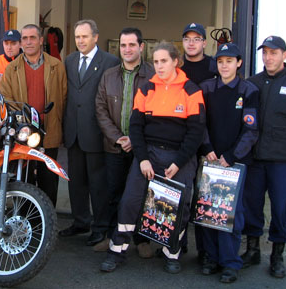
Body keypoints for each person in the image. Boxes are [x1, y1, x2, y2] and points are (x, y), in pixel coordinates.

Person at [100, 41, 205, 274]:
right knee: (129, 202)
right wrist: (143, 158)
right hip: (148, 155)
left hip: (180, 158)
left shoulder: (191, 90)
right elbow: (135, 126)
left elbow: (196, 132)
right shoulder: (147, 88)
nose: (159, 66)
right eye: (156, 61)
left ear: (175, 62)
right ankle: (117, 250)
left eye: (164, 61)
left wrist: (178, 163)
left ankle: (172, 254)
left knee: (178, 208)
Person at [242, 36, 286, 278]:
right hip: (255, 158)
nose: (268, 57)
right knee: (251, 203)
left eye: (274, 53)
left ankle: (277, 254)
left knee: (282, 207)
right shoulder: (251, 83)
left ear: (284, 55)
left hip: (282, 159)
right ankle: (252, 250)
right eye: (265, 53)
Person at [198, 43, 259, 283]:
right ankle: (212, 258)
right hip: (211, 159)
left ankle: (230, 263)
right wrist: (208, 149)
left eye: (230, 61)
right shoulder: (206, 88)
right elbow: (199, 123)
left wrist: (231, 156)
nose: (224, 65)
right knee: (209, 211)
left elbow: (251, 130)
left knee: (231, 214)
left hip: (235, 162)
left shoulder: (248, 90)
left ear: (239, 63)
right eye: (221, 61)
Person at [59, 19, 120, 247]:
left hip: (96, 132)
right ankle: (80, 221)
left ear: (95, 37)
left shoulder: (110, 61)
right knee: (76, 182)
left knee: (98, 184)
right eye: (77, 37)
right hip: (74, 131)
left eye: (84, 36)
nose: (80, 41)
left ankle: (100, 227)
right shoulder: (70, 60)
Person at [95, 27, 155, 256]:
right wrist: (118, 138)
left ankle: (142, 240)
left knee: (141, 195)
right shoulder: (109, 75)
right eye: (123, 45)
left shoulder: (153, 75)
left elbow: (157, 113)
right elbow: (100, 109)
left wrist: (136, 140)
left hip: (143, 149)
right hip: (114, 146)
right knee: (113, 193)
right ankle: (112, 237)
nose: (127, 49)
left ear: (141, 46)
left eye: (132, 45)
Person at [0, 24, 67, 206]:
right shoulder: (12, 69)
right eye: (25, 39)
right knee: (24, 182)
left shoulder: (57, 67)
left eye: (33, 38)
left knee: (49, 183)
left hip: (49, 132)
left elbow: (63, 98)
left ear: (41, 41)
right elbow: (7, 99)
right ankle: (25, 224)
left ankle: (47, 224)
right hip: (24, 135)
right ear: (21, 43)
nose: (29, 42)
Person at [180, 22, 217, 260]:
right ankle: (176, 245)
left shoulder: (217, 66)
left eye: (196, 39)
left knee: (207, 200)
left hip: (210, 144)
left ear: (205, 42)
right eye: (187, 39)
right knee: (182, 196)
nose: (191, 43)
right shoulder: (178, 68)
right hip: (183, 142)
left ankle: (207, 251)